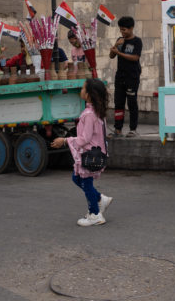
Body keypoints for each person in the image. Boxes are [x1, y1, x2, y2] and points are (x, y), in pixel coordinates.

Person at [50, 78, 113, 226]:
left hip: (89, 156)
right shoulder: (95, 112)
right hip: (94, 154)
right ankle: (99, 199)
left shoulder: (89, 114)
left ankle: (95, 214)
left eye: (83, 89)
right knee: (77, 178)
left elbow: (85, 138)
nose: (81, 91)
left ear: (90, 94)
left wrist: (65, 140)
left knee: (85, 182)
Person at [109, 16, 142, 136]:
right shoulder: (120, 40)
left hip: (132, 77)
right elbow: (111, 55)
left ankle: (133, 129)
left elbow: (135, 58)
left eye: (124, 30)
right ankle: (118, 129)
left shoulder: (137, 41)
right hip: (120, 76)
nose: (122, 32)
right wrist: (116, 46)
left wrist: (119, 53)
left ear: (131, 28)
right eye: (121, 30)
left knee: (132, 102)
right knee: (118, 103)